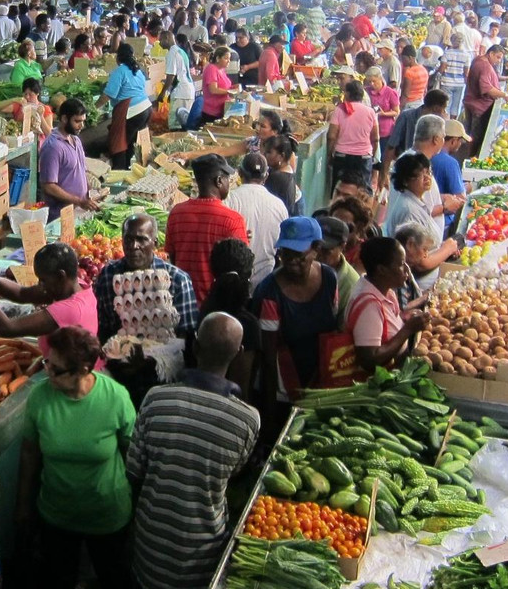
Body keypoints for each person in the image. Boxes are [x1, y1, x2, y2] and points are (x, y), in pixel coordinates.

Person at [126, 312, 260, 589]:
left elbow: (134, 471)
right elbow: (233, 472)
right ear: (238, 353)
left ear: (194, 346)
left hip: (150, 549)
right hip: (202, 556)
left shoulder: (155, 399)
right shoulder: (247, 420)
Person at [17, 326, 135, 589]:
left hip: (107, 516)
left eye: (56, 369)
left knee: (112, 577)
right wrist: (24, 506)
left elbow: (131, 453)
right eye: (48, 363)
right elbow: (29, 453)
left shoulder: (115, 397)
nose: (48, 372)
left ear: (83, 370)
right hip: (57, 515)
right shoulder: (40, 398)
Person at [250, 217, 339, 424]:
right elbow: (268, 358)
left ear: (316, 248)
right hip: (283, 386)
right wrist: (270, 414)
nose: (291, 261)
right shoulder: (269, 292)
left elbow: (332, 330)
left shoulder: (329, 278)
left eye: (298, 255)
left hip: (320, 381)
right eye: (285, 254)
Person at [0, 242, 97, 353]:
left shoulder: (70, 309)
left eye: (43, 280)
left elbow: (6, 328)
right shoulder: (76, 286)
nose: (40, 285)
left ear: (61, 276)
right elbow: (22, 293)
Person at [93, 213, 199, 348]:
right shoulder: (109, 276)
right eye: (128, 239)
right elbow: (102, 326)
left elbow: (187, 335)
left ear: (154, 243)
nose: (134, 246)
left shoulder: (177, 280)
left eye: (141, 239)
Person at [166, 154, 249, 303]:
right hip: (216, 304)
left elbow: (173, 258)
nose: (228, 183)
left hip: (183, 301)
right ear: (218, 181)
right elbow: (241, 269)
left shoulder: (176, 213)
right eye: (226, 179)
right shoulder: (232, 220)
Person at [347, 236, 430, 374]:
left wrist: (404, 318)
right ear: (382, 270)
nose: (407, 269)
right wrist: (408, 330)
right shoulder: (369, 305)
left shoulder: (386, 290)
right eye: (401, 264)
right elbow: (370, 359)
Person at [383, 153, 458, 289]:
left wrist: (444, 248)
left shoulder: (417, 202)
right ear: (406, 181)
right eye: (420, 175)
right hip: (420, 285)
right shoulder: (409, 210)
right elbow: (419, 263)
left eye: (428, 172)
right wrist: (447, 249)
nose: (427, 178)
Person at [225, 152, 288, 289]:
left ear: (240, 173)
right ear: (266, 176)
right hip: (265, 280)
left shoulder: (229, 200)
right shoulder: (279, 205)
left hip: (233, 280)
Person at [39, 98, 100, 222]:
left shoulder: (76, 140)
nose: (81, 125)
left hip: (78, 210)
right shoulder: (53, 147)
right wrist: (79, 201)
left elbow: (81, 171)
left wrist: (90, 193)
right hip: (60, 216)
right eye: (77, 121)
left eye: (83, 121)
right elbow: (49, 186)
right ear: (64, 119)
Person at [380, 88, 449, 189]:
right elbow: (391, 146)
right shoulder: (406, 117)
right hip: (406, 171)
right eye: (443, 109)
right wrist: (383, 175)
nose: (445, 112)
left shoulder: (438, 123)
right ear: (435, 108)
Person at [97, 44, 151, 170]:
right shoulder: (138, 70)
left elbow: (108, 95)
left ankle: (119, 172)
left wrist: (93, 108)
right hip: (146, 109)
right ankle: (130, 169)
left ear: (118, 57)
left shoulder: (119, 72)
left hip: (132, 111)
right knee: (133, 143)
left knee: (120, 144)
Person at [327, 80, 378, 192]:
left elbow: (331, 136)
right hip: (364, 157)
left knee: (339, 189)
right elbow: (375, 138)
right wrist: (372, 155)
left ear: (348, 94)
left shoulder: (340, 110)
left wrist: (329, 155)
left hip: (342, 157)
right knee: (364, 191)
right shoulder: (370, 112)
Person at [464, 44, 508, 156]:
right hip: (479, 107)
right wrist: (504, 95)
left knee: (471, 134)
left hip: (471, 103)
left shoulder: (479, 60)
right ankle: (471, 158)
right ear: (491, 54)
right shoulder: (484, 65)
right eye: (498, 57)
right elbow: (487, 89)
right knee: (476, 137)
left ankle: (470, 155)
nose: (499, 61)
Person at [315, 216, 359, 314]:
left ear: (342, 246)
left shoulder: (351, 283)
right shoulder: (301, 263)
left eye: (326, 250)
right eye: (315, 247)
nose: (318, 254)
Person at [434, 119, 471, 231]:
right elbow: (460, 198)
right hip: (443, 221)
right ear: (453, 141)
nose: (460, 145)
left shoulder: (429, 154)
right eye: (461, 141)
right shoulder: (450, 163)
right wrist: (466, 188)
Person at [0, 77, 54, 143]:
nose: (27, 97)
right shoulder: (19, 106)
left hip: (37, 145)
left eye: (31, 94)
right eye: (25, 94)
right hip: (19, 141)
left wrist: (41, 116)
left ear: (37, 94)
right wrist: (13, 100)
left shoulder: (45, 109)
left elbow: (49, 134)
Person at [160, 30, 195, 130]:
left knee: (175, 126)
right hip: (187, 92)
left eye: (160, 40)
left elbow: (171, 76)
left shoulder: (172, 53)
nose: (160, 43)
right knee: (185, 125)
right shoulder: (180, 51)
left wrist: (162, 93)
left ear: (167, 38)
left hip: (181, 92)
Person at [261, 134, 299, 216]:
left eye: (269, 152)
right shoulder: (287, 171)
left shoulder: (277, 177)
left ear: (282, 156)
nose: (264, 155)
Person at [200, 46, 238, 125]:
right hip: (211, 112)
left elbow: (224, 86)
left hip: (221, 110)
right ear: (218, 58)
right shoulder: (211, 69)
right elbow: (213, 89)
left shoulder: (221, 69)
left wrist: (233, 87)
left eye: (229, 59)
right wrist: (229, 91)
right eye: (226, 58)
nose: (228, 61)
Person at [399, 45, 428, 109]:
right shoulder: (424, 70)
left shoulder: (409, 72)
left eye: (404, 58)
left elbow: (405, 93)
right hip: (420, 102)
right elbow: (425, 90)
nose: (403, 61)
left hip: (410, 104)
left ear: (410, 58)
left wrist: (400, 107)